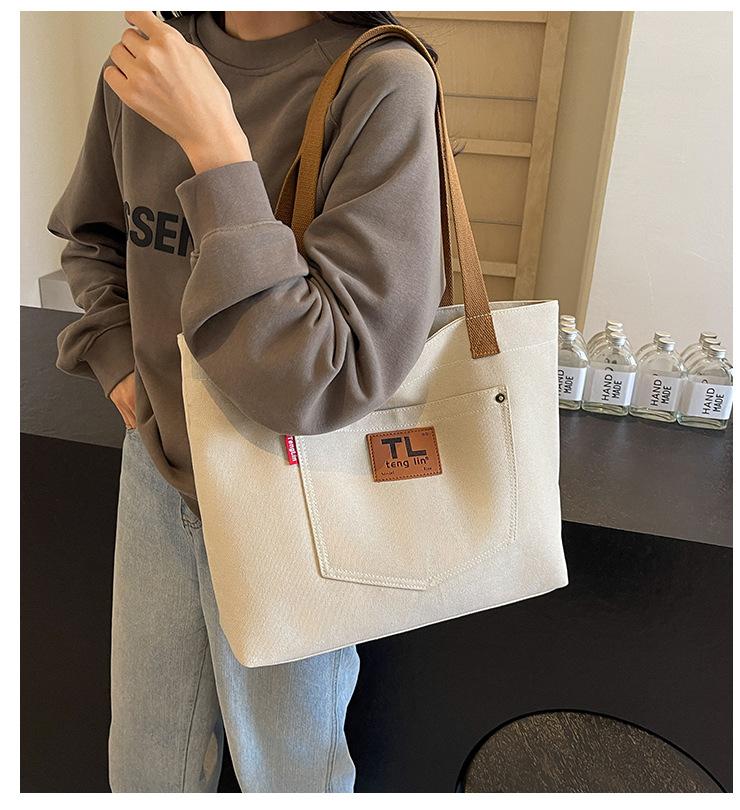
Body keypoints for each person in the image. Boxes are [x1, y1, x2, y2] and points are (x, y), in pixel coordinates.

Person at [47, 10, 443, 793]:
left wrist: (216, 147)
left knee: (290, 780)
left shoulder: (383, 81)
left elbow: (322, 376)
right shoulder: (152, 57)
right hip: (158, 470)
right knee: (145, 774)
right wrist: (121, 362)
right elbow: (93, 240)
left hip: (295, 491)